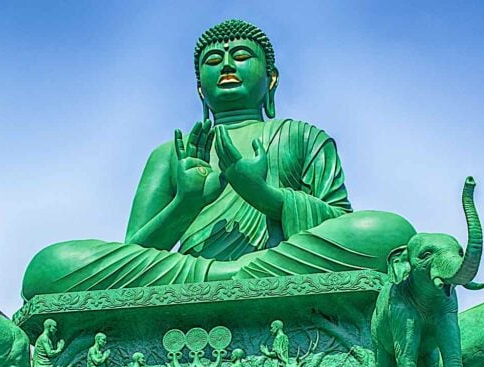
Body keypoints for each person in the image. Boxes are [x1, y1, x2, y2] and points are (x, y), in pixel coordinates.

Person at [22, 19, 414, 299]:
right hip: (187, 275)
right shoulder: (169, 155)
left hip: (280, 262)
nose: (226, 65)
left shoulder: (302, 137)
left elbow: (338, 224)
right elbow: (136, 251)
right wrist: (185, 204)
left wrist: (264, 196)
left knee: (391, 234)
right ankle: (233, 277)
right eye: (213, 61)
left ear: (271, 78)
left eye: (241, 56)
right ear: (199, 89)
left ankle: (239, 275)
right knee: (48, 267)